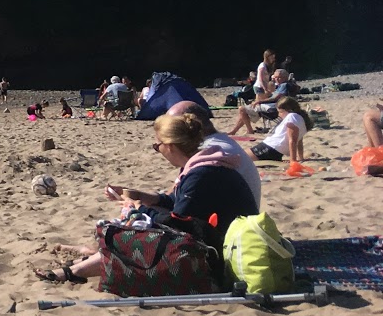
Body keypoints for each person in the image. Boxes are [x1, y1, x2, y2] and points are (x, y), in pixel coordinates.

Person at [39, 112, 257, 284]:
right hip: (221, 238)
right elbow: (177, 203)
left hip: (220, 253)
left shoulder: (201, 173)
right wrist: (140, 196)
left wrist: (137, 208)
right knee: (138, 224)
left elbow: (177, 222)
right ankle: (86, 261)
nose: (157, 150)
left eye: (157, 146)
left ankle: (76, 269)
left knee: (140, 234)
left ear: (170, 146)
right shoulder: (202, 165)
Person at [226, 68, 292, 134]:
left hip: (271, 109)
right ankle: (235, 131)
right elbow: (272, 96)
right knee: (244, 110)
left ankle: (248, 130)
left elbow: (275, 98)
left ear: (285, 77)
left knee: (242, 109)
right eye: (276, 77)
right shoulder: (280, 85)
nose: (276, 79)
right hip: (269, 106)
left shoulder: (284, 85)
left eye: (279, 77)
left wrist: (259, 101)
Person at [250, 97, 309, 164]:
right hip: (276, 151)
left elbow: (292, 141)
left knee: (242, 156)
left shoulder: (292, 116)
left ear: (289, 110)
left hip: (271, 147)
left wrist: (293, 161)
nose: (279, 115)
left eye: (280, 112)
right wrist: (301, 157)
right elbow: (299, 140)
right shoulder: (301, 119)